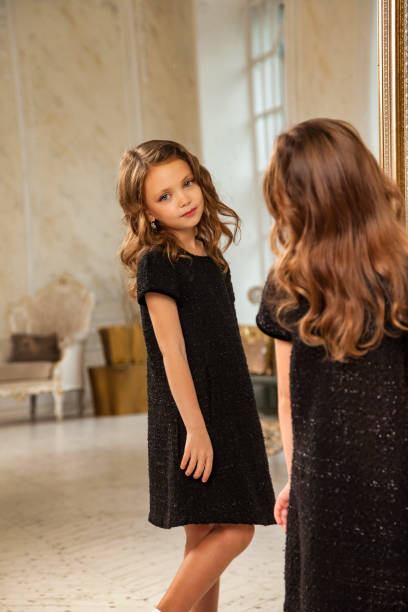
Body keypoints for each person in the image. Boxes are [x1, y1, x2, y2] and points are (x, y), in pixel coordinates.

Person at [117, 139, 276, 612]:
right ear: (145, 211)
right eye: (164, 196)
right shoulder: (157, 263)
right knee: (238, 528)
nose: (183, 199)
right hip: (192, 413)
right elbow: (171, 353)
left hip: (228, 403)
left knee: (203, 535)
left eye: (186, 184)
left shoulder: (210, 252)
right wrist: (196, 429)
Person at [256, 117, 408, 611]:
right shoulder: (403, 271)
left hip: (324, 485)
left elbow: (287, 399)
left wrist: (296, 479)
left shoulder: (288, 282)